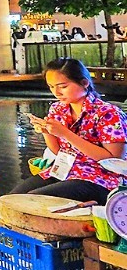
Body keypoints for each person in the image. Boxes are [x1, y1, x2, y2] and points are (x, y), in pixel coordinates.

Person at [10, 58, 127, 204]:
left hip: (101, 178)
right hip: (64, 170)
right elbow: (58, 151)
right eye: (51, 87)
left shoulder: (108, 113)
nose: (56, 92)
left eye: (63, 86)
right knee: (11, 199)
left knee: (36, 199)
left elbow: (114, 159)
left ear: (84, 83)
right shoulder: (58, 109)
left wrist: (65, 133)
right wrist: (46, 131)